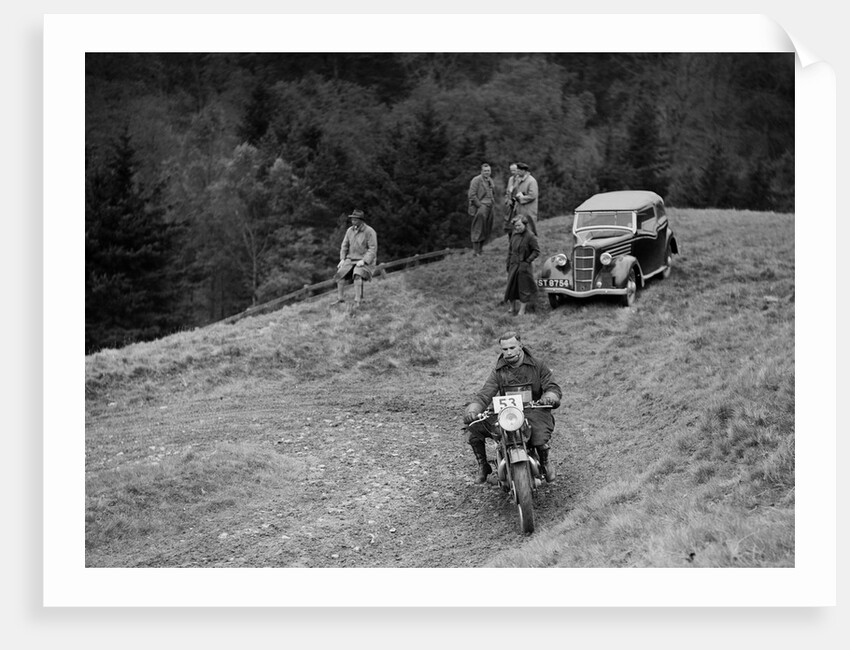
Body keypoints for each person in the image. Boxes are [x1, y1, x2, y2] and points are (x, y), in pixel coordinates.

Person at [462, 331, 562, 483]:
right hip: (508, 413)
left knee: (540, 435)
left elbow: (552, 387)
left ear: (520, 346)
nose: (508, 352)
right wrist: (473, 410)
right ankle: (483, 465)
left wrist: (549, 398)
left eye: (512, 348)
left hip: (533, 410)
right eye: (504, 349)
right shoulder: (498, 371)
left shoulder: (538, 366)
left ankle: (545, 462)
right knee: (474, 430)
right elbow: (485, 394)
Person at [333, 209, 377, 307]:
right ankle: (340, 299)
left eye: (355, 220)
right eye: (352, 219)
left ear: (361, 220)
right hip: (350, 259)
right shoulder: (349, 230)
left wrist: (364, 260)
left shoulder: (369, 231)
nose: (353, 221)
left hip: (365, 261)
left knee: (357, 274)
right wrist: (342, 259)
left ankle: (358, 301)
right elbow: (344, 245)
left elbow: (372, 249)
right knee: (340, 274)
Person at [504, 215, 540, 316]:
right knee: (511, 286)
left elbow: (536, 251)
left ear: (524, 224)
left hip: (524, 266)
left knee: (523, 288)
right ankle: (512, 307)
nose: (517, 228)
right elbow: (510, 250)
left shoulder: (530, 236)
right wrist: (508, 263)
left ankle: (522, 310)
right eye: (515, 226)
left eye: (519, 226)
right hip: (513, 264)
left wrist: (527, 261)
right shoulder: (514, 235)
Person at [467, 163, 496, 255]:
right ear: (481, 171)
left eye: (488, 171)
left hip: (490, 206)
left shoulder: (490, 180)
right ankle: (476, 251)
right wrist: (479, 206)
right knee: (478, 227)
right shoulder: (476, 180)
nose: (487, 172)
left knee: (486, 228)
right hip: (481, 206)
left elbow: (492, 193)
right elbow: (471, 195)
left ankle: (481, 250)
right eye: (485, 171)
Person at [513, 162, 539, 236]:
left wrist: (522, 198)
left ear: (524, 171)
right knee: (520, 229)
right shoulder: (517, 179)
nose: (518, 172)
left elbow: (533, 195)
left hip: (529, 210)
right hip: (519, 209)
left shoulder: (531, 181)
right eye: (517, 170)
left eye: (519, 171)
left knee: (530, 229)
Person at [502, 162, 520, 234]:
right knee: (508, 223)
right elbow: (508, 191)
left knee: (516, 221)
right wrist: (507, 200)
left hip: (516, 203)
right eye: (511, 170)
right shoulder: (510, 179)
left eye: (514, 170)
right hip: (509, 204)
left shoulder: (520, 179)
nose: (513, 172)